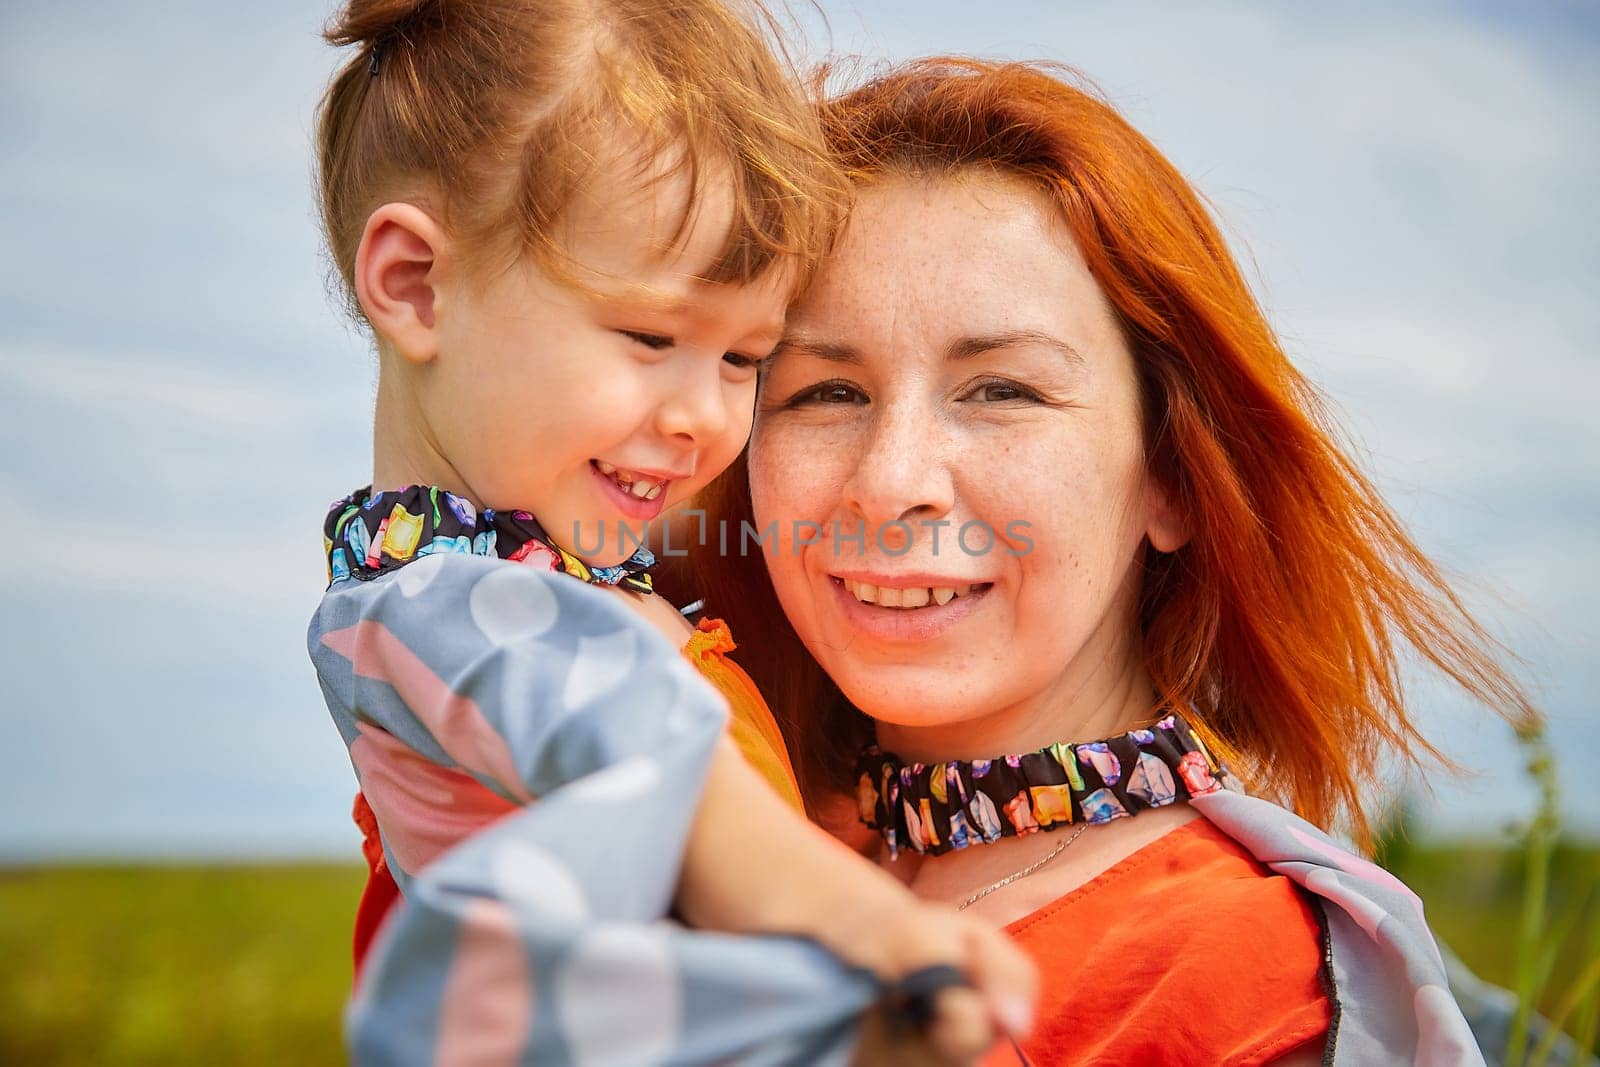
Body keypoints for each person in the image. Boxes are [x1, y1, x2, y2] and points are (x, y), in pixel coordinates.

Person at [680, 57, 1540, 1065]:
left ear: (1170, 478)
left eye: (1000, 390)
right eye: (822, 392)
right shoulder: (709, 822)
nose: (890, 477)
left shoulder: (1238, 982)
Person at [306, 4, 1034, 1062]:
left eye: (745, 360)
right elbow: (654, 756)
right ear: (415, 285)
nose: (705, 416)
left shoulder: (568, 576)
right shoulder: (439, 606)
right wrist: (881, 935)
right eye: (650, 335)